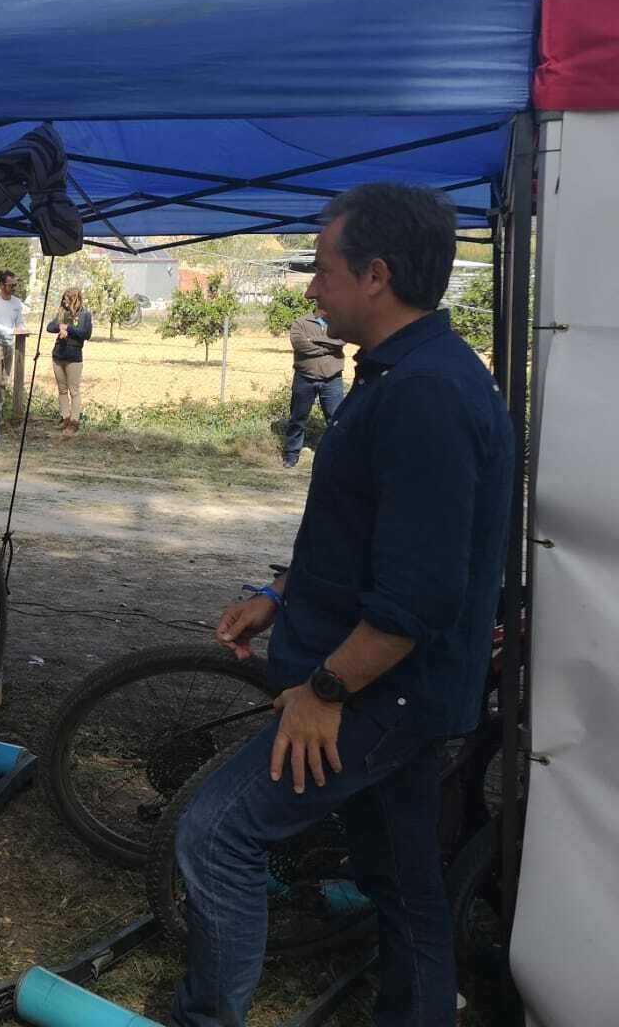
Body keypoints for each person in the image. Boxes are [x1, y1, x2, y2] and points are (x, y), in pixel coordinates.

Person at [169, 184, 515, 1027]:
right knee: (398, 876)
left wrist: (326, 694)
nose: (312, 289)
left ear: (378, 276)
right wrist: (278, 594)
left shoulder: (426, 392)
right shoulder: (404, 371)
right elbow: (369, 533)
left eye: (324, 271)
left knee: (217, 834)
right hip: (391, 688)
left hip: (378, 694)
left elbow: (418, 593)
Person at [282, 309, 346, 468]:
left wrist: (314, 340)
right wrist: (328, 346)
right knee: (298, 418)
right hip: (305, 378)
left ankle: (339, 456)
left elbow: (342, 341)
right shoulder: (300, 323)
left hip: (332, 379)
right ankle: (291, 455)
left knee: (336, 419)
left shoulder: (339, 321)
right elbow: (300, 345)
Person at [45, 287, 92, 435]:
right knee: (62, 390)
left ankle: (74, 421)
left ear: (74, 300)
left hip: (74, 357)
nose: (64, 301)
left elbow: (86, 334)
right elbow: (49, 327)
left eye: (66, 299)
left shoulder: (85, 315)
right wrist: (60, 326)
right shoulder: (62, 313)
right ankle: (65, 418)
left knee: (74, 391)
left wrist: (69, 329)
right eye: (64, 299)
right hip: (58, 356)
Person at [0, 269, 27, 399]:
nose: (14, 287)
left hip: (10, 345)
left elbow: (19, 321)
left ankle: (0, 411)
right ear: (2, 285)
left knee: (5, 381)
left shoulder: (17, 302)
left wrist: (22, 328)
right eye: (11, 285)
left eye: (15, 284)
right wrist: (10, 331)